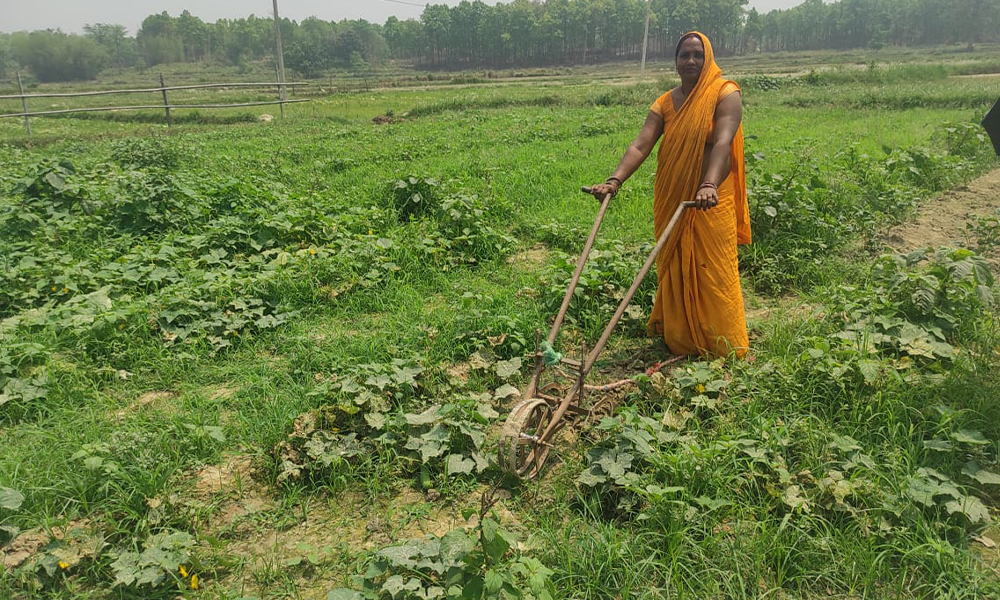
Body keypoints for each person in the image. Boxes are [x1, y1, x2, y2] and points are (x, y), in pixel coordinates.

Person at [588, 31, 750, 358]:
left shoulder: (725, 93)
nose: (691, 61)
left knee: (713, 269)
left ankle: (724, 346)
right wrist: (614, 180)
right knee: (675, 265)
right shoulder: (665, 102)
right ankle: (681, 340)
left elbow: (722, 143)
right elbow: (640, 144)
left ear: (709, 58)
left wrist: (707, 184)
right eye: (684, 55)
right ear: (675, 62)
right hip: (673, 196)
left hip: (712, 198)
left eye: (697, 55)